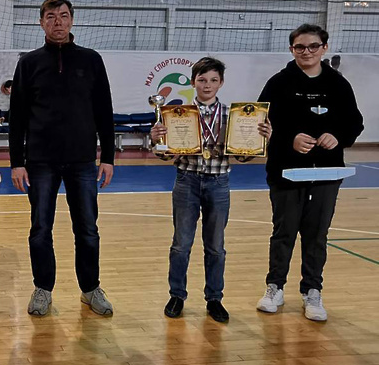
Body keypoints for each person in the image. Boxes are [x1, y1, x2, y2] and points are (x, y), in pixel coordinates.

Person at [8, 0, 116, 317]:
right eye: (51, 16)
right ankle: (43, 289)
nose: (58, 22)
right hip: (40, 162)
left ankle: (90, 289)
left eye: (64, 15)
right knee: (41, 229)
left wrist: (108, 156)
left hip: (82, 161)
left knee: (88, 229)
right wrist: (17, 162)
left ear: (72, 20)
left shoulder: (91, 60)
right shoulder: (28, 63)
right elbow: (17, 117)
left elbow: (104, 111)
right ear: (41, 22)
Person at [255, 24, 363, 321]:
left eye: (313, 46)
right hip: (286, 171)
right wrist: (287, 139)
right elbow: (260, 124)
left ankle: (312, 291)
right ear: (292, 49)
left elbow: (355, 122)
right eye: (300, 47)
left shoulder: (338, 84)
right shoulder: (278, 83)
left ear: (324, 48)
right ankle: (275, 287)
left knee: (317, 233)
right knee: (284, 231)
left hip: (327, 172)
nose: (307, 52)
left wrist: (338, 136)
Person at [150, 57, 271, 323]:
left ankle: (214, 298)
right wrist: (156, 139)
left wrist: (259, 140)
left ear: (221, 83)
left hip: (218, 183)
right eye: (202, 79)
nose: (207, 85)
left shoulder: (234, 115)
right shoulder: (177, 114)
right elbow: (165, 155)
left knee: (216, 246)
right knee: (181, 245)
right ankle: (177, 295)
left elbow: (242, 156)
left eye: (213, 80)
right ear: (193, 82)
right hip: (187, 181)